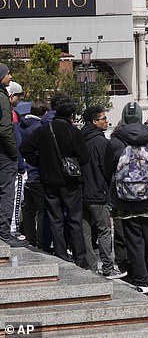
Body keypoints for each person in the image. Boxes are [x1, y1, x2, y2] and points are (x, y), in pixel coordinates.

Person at [105, 102, 148, 298]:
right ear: (140, 117)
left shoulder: (114, 142)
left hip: (126, 201)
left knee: (134, 244)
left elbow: (108, 169)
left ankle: (141, 283)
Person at [20, 98, 89, 266]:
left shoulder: (44, 130)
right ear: (71, 115)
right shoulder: (73, 132)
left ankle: (60, 253)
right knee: (75, 219)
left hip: (49, 180)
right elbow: (84, 158)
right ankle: (80, 256)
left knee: (55, 218)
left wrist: (39, 162)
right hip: (70, 182)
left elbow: (25, 148)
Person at [80, 106, 126, 279]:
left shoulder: (80, 138)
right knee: (104, 229)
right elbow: (107, 168)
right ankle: (107, 266)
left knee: (85, 230)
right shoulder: (101, 142)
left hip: (81, 191)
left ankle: (90, 265)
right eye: (103, 119)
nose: (107, 121)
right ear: (94, 121)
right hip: (98, 191)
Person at [0, 64, 26, 247]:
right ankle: (4, 232)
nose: (10, 76)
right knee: (7, 192)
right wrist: (13, 152)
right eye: (8, 73)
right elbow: (5, 128)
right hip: (4, 153)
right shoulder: (2, 97)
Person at [18, 99, 50, 249]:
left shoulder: (21, 125)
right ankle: (41, 241)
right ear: (44, 113)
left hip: (24, 174)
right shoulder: (39, 128)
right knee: (42, 209)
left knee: (29, 210)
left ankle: (30, 239)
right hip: (37, 173)